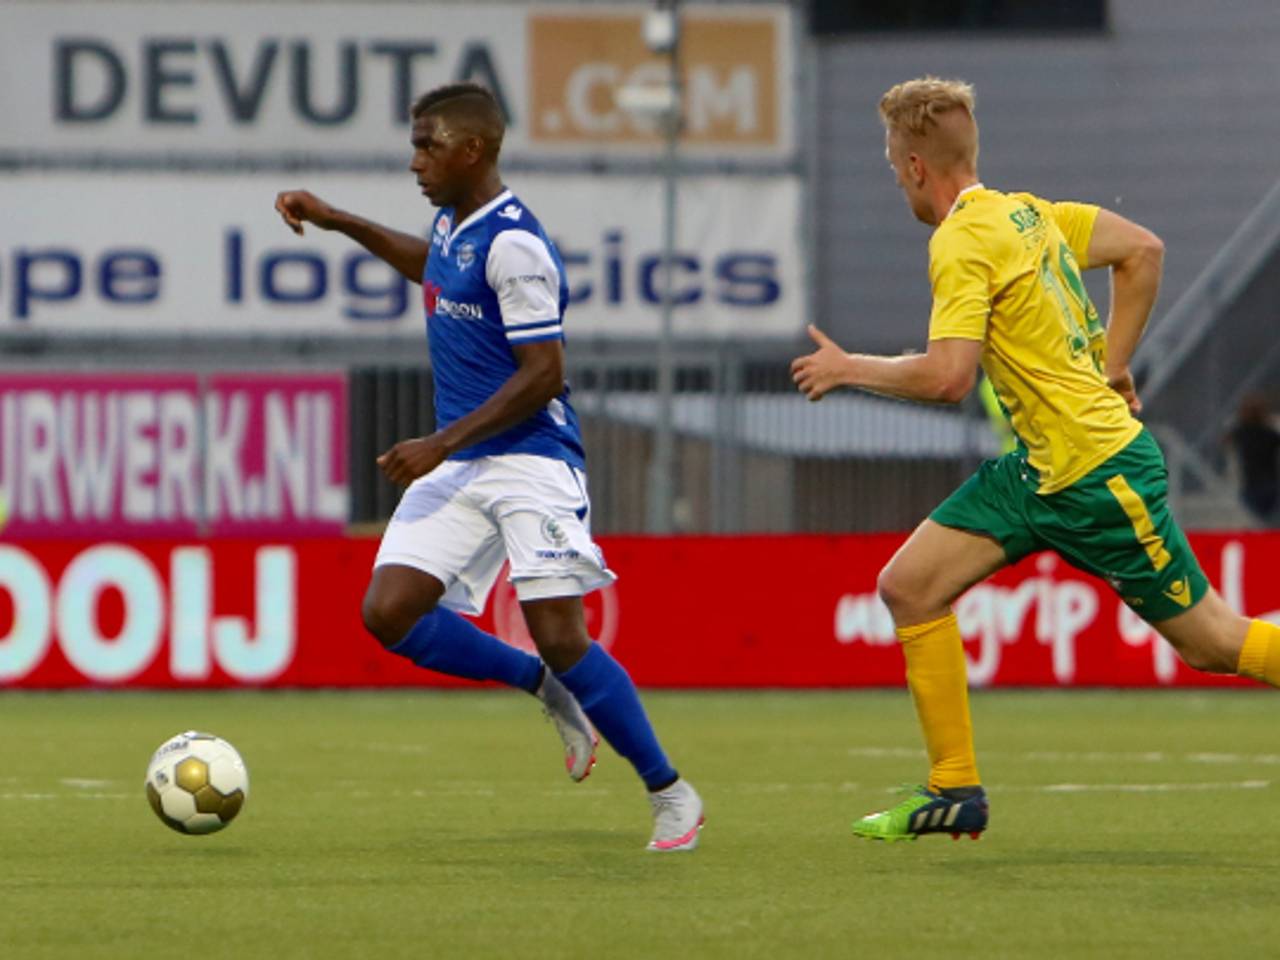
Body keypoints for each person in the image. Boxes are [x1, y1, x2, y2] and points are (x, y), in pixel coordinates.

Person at [791, 76, 1280, 841]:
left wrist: (852, 368)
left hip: (1098, 475)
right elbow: (1141, 252)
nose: (896, 181)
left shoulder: (959, 239)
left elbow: (950, 376)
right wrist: (1114, 366)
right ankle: (954, 790)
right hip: (1038, 471)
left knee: (1213, 642)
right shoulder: (1031, 214)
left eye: (894, 166)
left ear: (917, 167)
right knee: (910, 587)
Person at [274, 82, 703, 852]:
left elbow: (544, 372)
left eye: (426, 145)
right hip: (467, 459)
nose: (415, 162)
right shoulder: (454, 225)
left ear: (472, 149)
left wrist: (437, 443)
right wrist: (339, 221)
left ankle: (671, 793)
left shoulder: (515, 244)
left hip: (532, 461)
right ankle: (540, 687)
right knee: (388, 612)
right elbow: (433, 268)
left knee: (563, 635)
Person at [1226, 393, 1280, 524]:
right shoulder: (1268, 433)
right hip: (1266, 484)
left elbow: (1226, 440)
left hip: (1254, 485)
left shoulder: (1240, 432)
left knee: (1258, 522)